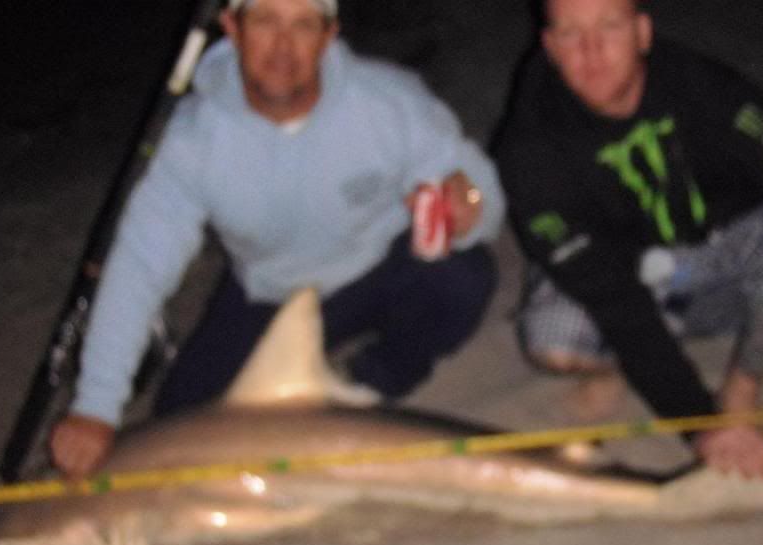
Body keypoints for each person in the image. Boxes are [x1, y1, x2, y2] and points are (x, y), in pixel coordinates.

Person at [50, 0, 504, 478]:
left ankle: (370, 386)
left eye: (302, 25)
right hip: (268, 293)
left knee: (463, 277)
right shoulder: (192, 140)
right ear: (232, 28)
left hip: (376, 268)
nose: (283, 46)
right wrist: (96, 406)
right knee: (182, 416)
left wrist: (470, 204)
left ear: (329, 35)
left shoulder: (386, 100)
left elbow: (477, 184)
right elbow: (138, 267)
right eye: (265, 21)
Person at [494, 0, 763, 479]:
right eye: (571, 34)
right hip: (627, 275)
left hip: (726, 256)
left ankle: (742, 387)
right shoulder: (527, 149)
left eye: (610, 27)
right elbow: (612, 296)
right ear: (550, 46)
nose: (592, 51)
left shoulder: (707, 91)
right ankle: (615, 368)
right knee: (551, 340)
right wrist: (700, 425)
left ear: (643, 33)